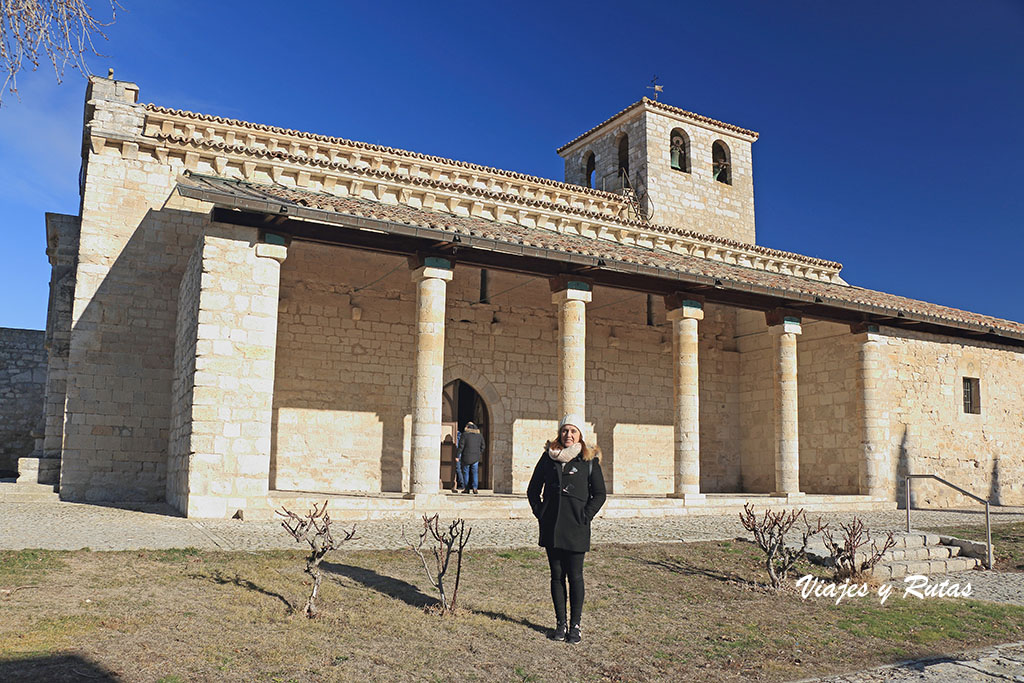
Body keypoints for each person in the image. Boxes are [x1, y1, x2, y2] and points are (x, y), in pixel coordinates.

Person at [526, 414, 606, 644]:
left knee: (576, 576)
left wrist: (586, 515)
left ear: (580, 434)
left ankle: (576, 626)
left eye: (573, 431)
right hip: (551, 526)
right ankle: (560, 624)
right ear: (559, 433)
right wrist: (540, 513)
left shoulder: (589, 461)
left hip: (576, 526)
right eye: (564, 431)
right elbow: (533, 490)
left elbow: (599, 494)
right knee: (557, 576)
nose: (568, 435)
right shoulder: (548, 458)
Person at [457, 421, 484, 494]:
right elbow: (483, 446)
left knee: (466, 473)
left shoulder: (465, 435)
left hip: (466, 457)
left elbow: (461, 446)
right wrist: (479, 453)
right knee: (475, 473)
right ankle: (475, 488)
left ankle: (466, 488)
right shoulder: (479, 436)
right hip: (476, 458)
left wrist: (457, 455)